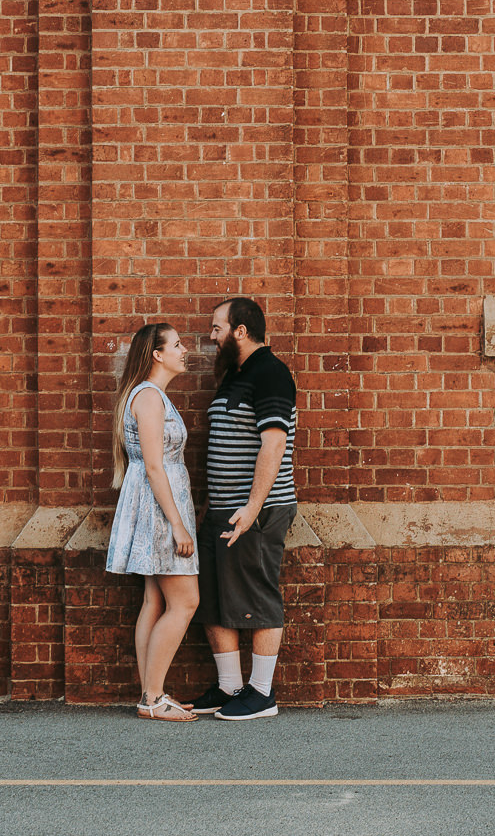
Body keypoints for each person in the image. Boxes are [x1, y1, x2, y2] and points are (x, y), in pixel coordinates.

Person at [188, 296, 297, 720]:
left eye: (217, 328)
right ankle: (231, 687)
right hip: (224, 511)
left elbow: (274, 443)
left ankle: (262, 693)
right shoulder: (235, 375)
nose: (211, 336)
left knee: (258, 596)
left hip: (256, 513)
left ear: (240, 331)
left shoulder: (270, 373)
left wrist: (253, 507)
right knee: (216, 599)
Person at [104, 322, 201, 720]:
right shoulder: (149, 398)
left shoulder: (153, 396)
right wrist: (177, 525)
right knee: (185, 601)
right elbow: (155, 468)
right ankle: (154, 697)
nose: (185, 350)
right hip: (161, 511)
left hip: (157, 506)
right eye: (177, 345)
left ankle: (150, 695)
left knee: (155, 599)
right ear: (157, 354)